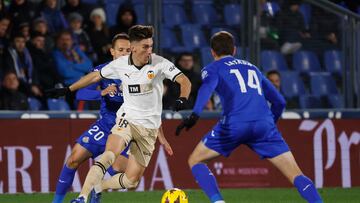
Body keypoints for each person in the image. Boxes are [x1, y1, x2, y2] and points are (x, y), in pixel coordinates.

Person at [46, 25, 191, 203]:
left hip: (142, 128)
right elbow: (83, 92)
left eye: (127, 49)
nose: (124, 53)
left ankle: (97, 189)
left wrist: (161, 134)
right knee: (74, 159)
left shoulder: (154, 65)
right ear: (112, 51)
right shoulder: (109, 69)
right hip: (111, 124)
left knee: (131, 179)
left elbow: (152, 106)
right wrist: (98, 92)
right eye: (121, 50)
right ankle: (73, 199)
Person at [176, 31, 322, 203]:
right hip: (265, 126)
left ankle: (218, 201)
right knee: (297, 174)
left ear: (212, 52)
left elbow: (206, 88)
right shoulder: (252, 68)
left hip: (234, 124)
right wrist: (269, 126)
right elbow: (280, 102)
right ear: (235, 50)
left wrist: (195, 114)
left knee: (195, 160)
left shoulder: (212, 68)